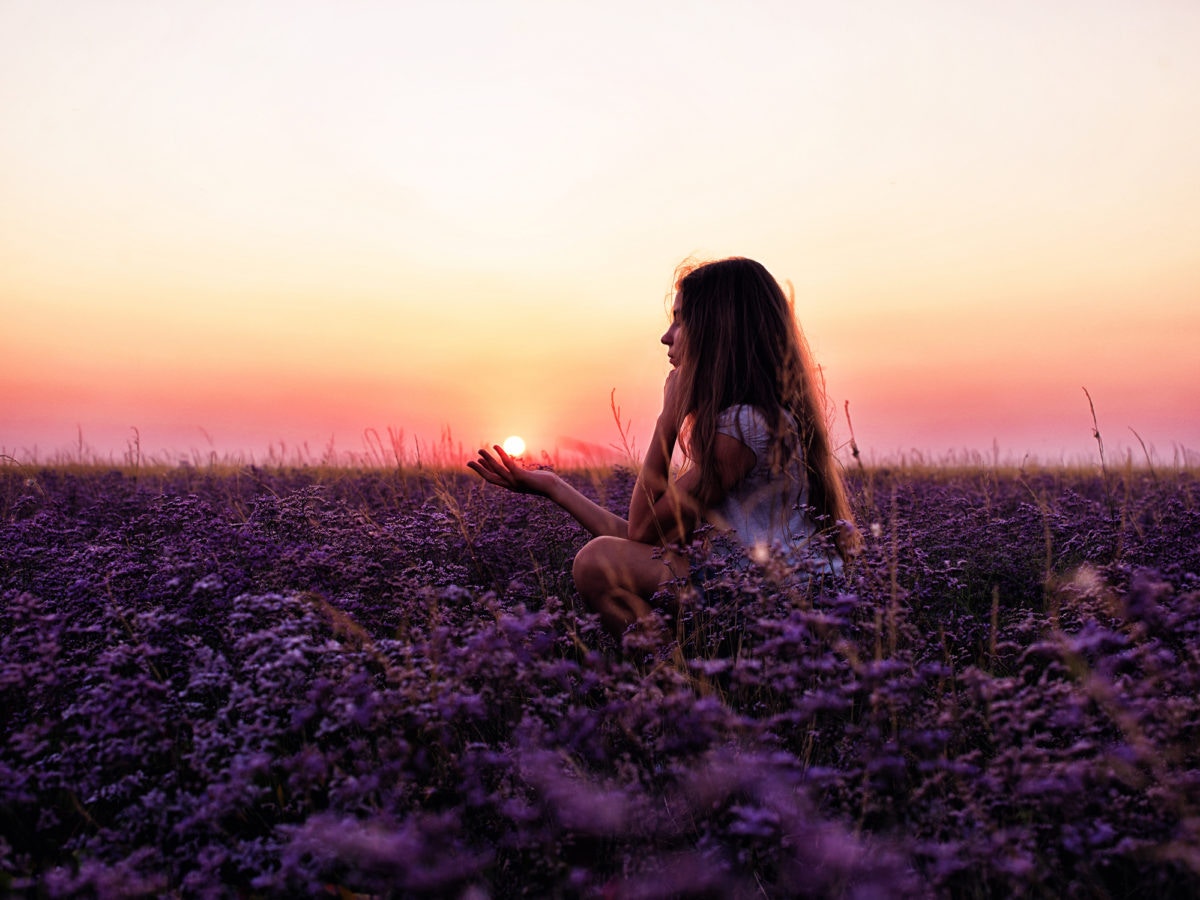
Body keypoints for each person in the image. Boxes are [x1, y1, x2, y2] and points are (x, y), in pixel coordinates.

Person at [468, 256, 857, 640]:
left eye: (680, 319)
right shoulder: (756, 420)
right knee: (607, 555)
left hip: (779, 602)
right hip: (780, 593)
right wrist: (554, 487)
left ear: (717, 331)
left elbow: (640, 531)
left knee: (594, 561)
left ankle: (670, 689)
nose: (666, 336)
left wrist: (668, 419)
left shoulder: (745, 427)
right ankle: (685, 682)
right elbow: (646, 544)